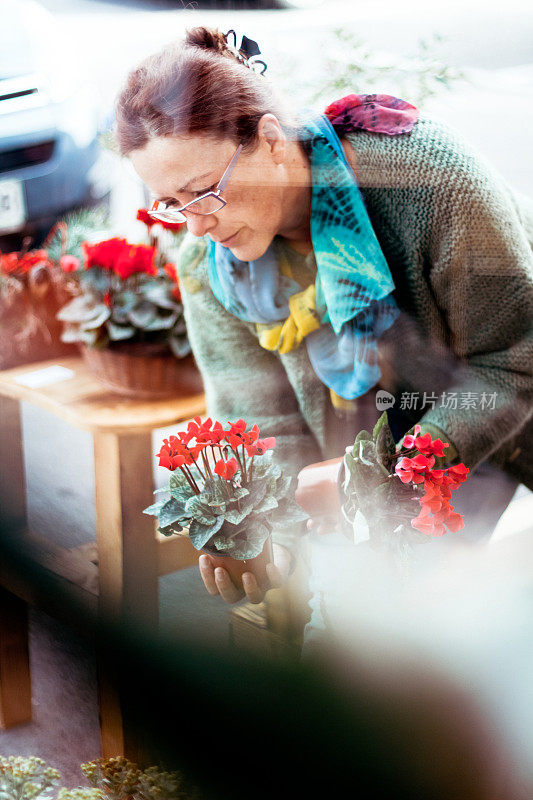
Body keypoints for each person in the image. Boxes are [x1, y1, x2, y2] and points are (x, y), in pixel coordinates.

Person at [114, 26, 533, 612]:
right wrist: (265, 536)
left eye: (205, 191)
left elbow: (514, 363)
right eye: (169, 203)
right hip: (397, 427)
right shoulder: (212, 267)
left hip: (500, 395)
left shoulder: (431, 180)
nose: (196, 225)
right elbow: (263, 428)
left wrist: (370, 479)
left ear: (270, 141)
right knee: (364, 627)